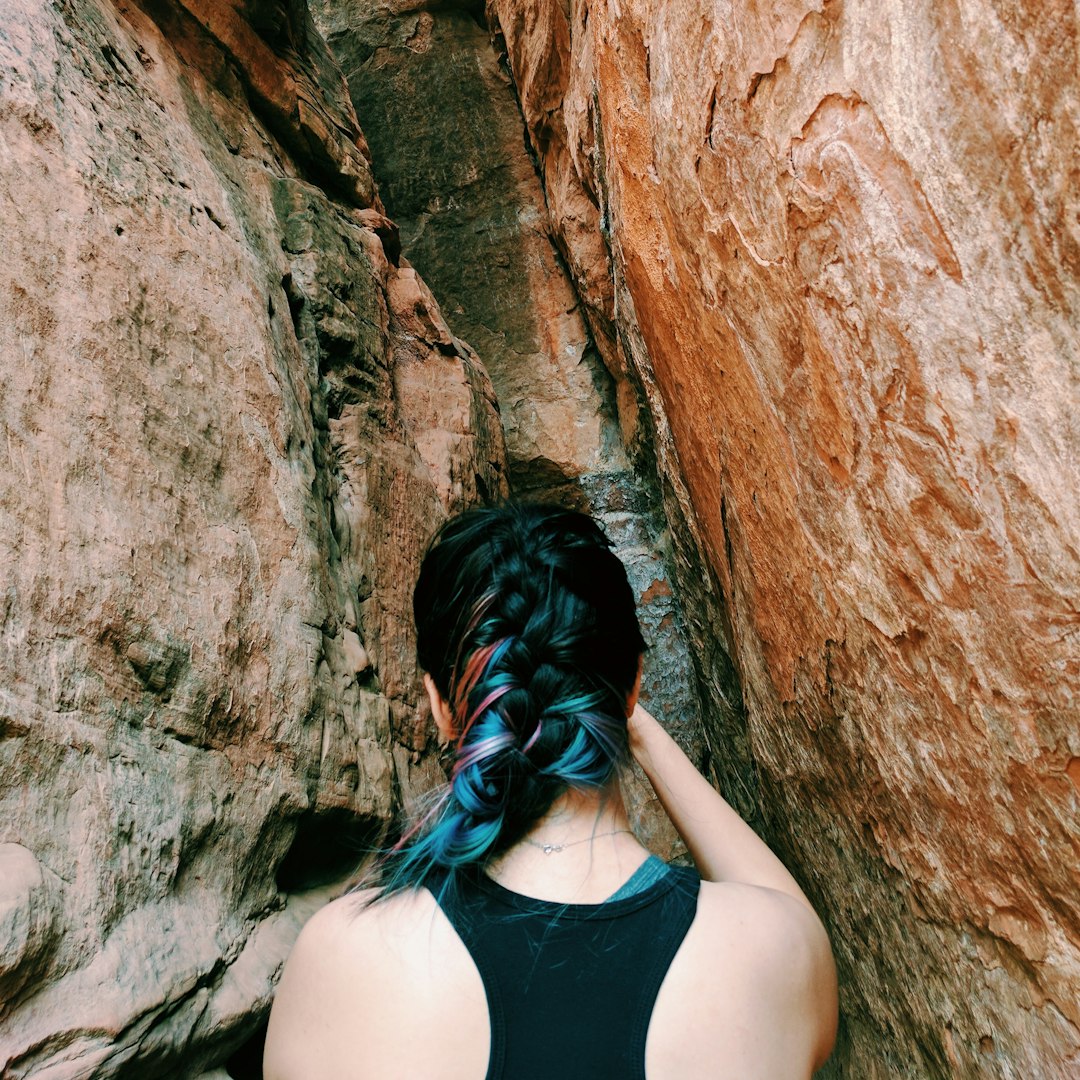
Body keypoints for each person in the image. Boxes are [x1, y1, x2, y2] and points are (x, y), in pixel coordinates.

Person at [264, 504, 838, 1079]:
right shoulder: (774, 955)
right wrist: (629, 719)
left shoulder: (340, 962)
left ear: (441, 705)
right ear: (634, 683)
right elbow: (787, 912)